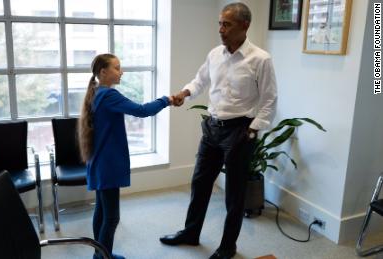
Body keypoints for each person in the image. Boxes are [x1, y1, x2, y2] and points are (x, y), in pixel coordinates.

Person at [160, 3, 277, 259]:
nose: (221, 29)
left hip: (239, 131)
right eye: (220, 24)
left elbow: (269, 100)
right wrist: (185, 93)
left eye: (227, 24)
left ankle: (228, 247)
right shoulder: (215, 54)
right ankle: (191, 233)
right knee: (200, 183)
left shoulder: (260, 59)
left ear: (244, 26)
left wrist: (253, 131)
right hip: (212, 128)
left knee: (234, 194)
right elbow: (200, 80)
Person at [78, 53, 172, 259]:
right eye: (117, 68)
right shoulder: (108, 95)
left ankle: (100, 254)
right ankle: (104, 257)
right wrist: (167, 100)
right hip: (108, 164)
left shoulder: (96, 92)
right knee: (111, 217)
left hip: (100, 162)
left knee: (101, 211)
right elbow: (142, 110)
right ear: (103, 72)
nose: (122, 72)